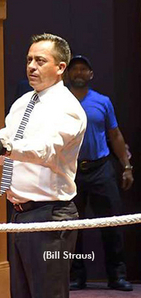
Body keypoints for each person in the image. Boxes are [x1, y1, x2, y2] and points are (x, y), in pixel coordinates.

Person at [0, 33, 87, 298]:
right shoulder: (23, 103)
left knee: (47, 294)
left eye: (41, 60)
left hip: (50, 216)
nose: (31, 65)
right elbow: (5, 156)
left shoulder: (68, 107)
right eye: (29, 59)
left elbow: (46, 150)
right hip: (20, 214)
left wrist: (6, 147)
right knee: (21, 294)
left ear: (60, 68)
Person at [64, 55, 134, 292]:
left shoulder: (102, 102)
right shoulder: (59, 102)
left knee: (112, 224)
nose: (79, 73)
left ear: (91, 75)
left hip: (101, 169)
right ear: (66, 74)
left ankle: (117, 276)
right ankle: (76, 276)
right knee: (73, 228)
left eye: (84, 69)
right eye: (75, 69)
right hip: (70, 172)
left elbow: (115, 135)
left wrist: (126, 167)